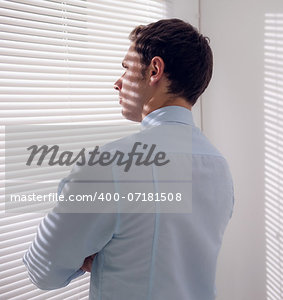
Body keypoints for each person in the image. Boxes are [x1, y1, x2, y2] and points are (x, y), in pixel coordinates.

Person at [23, 18, 234, 300]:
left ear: (154, 70)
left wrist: (86, 259)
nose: (117, 83)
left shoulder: (111, 164)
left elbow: (42, 269)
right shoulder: (219, 166)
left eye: (126, 68)